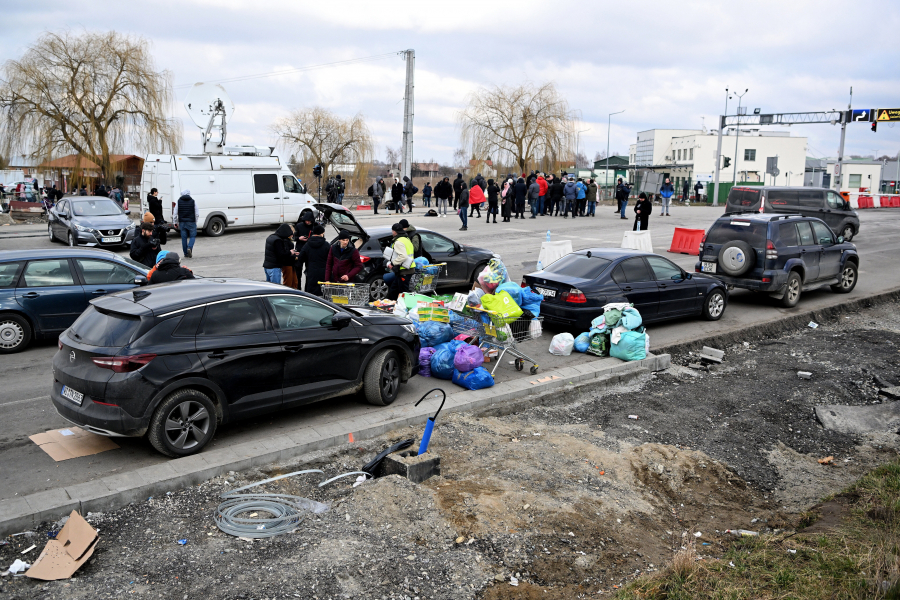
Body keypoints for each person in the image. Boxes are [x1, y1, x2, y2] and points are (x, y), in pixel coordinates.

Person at [296, 225, 330, 296]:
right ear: (322, 233)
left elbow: (300, 258)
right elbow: (331, 260)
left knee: (311, 295)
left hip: (311, 272)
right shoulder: (326, 245)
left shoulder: (307, 245)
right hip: (323, 273)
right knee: (324, 294)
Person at [386, 223, 415, 299]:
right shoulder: (406, 239)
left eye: (392, 231)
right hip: (408, 268)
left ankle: (403, 308)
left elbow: (403, 256)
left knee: (403, 293)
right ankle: (395, 306)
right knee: (394, 290)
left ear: (395, 232)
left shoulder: (398, 242)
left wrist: (393, 263)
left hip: (404, 270)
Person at [293, 207, 316, 286]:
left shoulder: (314, 226)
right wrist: (299, 238)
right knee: (297, 271)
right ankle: (298, 287)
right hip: (299, 250)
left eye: (309, 221)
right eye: (306, 221)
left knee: (309, 272)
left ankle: (307, 288)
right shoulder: (299, 226)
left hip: (310, 251)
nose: (308, 222)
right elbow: (293, 237)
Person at [173, 189, 198, 258]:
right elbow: (197, 213)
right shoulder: (193, 201)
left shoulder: (179, 202)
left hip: (182, 222)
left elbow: (175, 213)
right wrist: (195, 221)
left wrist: (175, 222)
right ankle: (189, 247)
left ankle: (186, 253)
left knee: (184, 238)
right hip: (191, 222)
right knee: (192, 236)